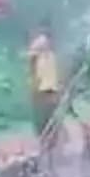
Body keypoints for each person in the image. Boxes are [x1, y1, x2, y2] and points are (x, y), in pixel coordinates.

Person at [26, 23, 63, 160]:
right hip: (42, 91)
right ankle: (48, 147)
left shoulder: (50, 56)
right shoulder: (40, 55)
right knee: (45, 121)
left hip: (48, 90)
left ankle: (54, 149)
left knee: (50, 121)